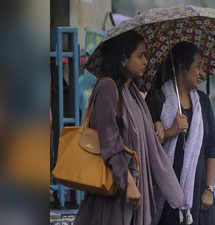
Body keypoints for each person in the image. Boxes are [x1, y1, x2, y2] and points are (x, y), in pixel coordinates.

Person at [75, 31, 184, 225]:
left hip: (134, 194)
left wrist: (158, 128)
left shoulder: (133, 94)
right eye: (140, 55)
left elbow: (144, 143)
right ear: (124, 60)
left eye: (147, 56)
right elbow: (110, 142)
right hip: (113, 194)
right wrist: (128, 182)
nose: (145, 61)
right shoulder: (107, 88)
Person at [145, 42, 215, 225]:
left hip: (199, 198)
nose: (201, 73)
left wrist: (209, 190)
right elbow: (147, 147)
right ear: (181, 68)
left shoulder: (203, 102)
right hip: (166, 197)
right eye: (197, 67)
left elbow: (211, 149)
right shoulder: (157, 100)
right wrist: (171, 131)